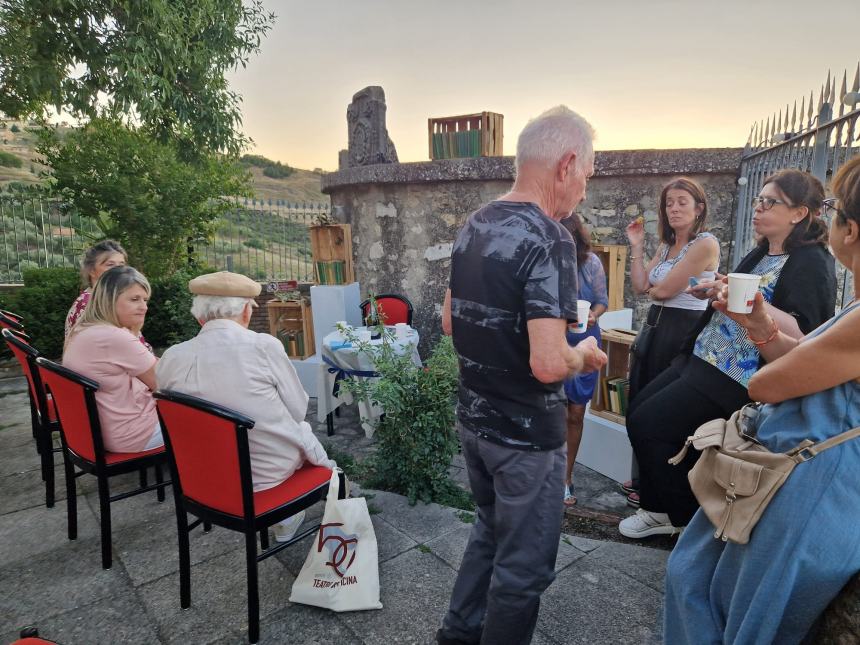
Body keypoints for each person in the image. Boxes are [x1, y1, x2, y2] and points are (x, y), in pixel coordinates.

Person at [664, 155, 860, 644]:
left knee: (744, 613)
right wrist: (759, 325)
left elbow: (766, 385)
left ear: (850, 231)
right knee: (702, 582)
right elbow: (807, 361)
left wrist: (761, 330)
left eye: (832, 210)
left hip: (813, 486)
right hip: (802, 471)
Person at [437, 106, 607, 645]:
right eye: (587, 173)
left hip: (474, 423)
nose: (585, 187)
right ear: (567, 164)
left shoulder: (476, 221)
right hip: (525, 439)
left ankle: (456, 636)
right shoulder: (551, 237)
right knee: (524, 571)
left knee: (488, 532)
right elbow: (549, 363)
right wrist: (586, 355)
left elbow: (446, 321)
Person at [619, 168, 837, 539]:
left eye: (770, 203)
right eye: (758, 200)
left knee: (649, 425)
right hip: (703, 354)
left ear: (799, 213)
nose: (758, 208)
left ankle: (682, 517)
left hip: (734, 373)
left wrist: (752, 304)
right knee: (638, 414)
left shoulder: (812, 262)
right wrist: (719, 286)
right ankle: (658, 508)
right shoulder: (764, 251)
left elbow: (805, 332)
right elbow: (738, 295)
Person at [155, 271, 336, 542]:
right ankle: (292, 515)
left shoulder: (171, 357)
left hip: (203, 479)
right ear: (245, 313)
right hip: (266, 476)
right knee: (299, 430)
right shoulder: (263, 346)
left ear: (199, 316)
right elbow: (298, 411)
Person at [622, 177, 721, 506]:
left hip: (682, 332)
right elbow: (640, 287)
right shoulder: (666, 247)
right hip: (653, 329)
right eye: (669, 203)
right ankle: (644, 480)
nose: (674, 208)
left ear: (699, 208)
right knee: (638, 403)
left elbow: (663, 291)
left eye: (682, 202)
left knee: (663, 414)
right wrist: (637, 246)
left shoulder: (705, 244)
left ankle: (660, 494)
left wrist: (655, 288)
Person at [63, 266, 162, 452]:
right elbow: (165, 383)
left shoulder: (84, 329)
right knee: (217, 420)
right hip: (133, 433)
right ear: (109, 300)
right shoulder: (113, 337)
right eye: (134, 299)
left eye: (145, 300)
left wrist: (133, 331)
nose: (144, 307)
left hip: (105, 430)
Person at [560, 213, 608, 506]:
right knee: (551, 410)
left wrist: (594, 314)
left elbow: (602, 300)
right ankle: (550, 474)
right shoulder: (543, 263)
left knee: (575, 413)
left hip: (585, 339)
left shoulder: (590, 263)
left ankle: (566, 478)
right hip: (552, 341)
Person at [65, 240, 152, 351]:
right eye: (110, 264)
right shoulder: (88, 304)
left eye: (121, 265)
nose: (118, 270)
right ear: (92, 271)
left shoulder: (110, 299)